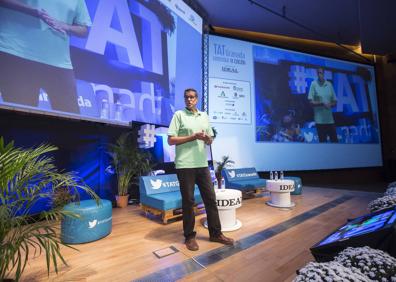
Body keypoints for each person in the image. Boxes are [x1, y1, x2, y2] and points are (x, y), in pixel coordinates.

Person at [167, 88, 234, 251]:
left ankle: (216, 234)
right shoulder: (179, 115)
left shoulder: (204, 116)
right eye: (186, 97)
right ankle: (189, 237)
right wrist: (193, 136)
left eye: (192, 97)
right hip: (185, 165)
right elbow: (170, 140)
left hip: (202, 164)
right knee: (188, 202)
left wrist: (207, 138)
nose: (189, 100)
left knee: (210, 199)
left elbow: (210, 140)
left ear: (197, 99)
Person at [0, 0, 91, 114]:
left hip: (60, 62)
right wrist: (33, 11)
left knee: (71, 120)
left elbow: (84, 28)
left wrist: (65, 26)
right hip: (18, 53)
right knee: (22, 120)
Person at [308, 67, 338, 143]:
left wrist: (330, 104)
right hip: (319, 121)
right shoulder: (313, 84)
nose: (319, 74)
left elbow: (335, 102)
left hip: (330, 120)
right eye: (318, 73)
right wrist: (322, 103)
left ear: (324, 74)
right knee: (323, 143)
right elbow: (311, 102)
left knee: (335, 142)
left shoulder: (329, 84)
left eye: (320, 73)